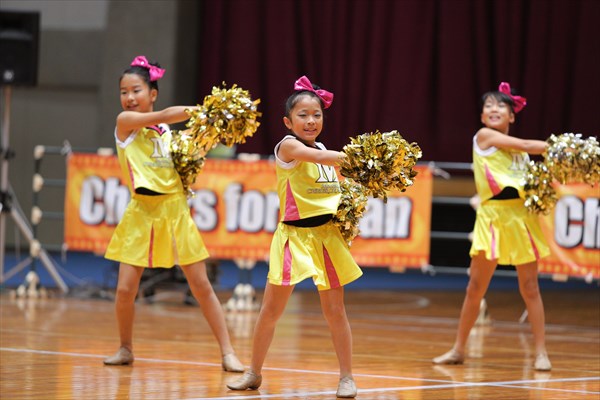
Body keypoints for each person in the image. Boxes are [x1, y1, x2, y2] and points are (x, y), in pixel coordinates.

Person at [103, 55, 244, 373]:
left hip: (175, 210)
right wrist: (203, 111)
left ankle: (228, 353)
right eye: (124, 91)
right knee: (126, 289)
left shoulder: (166, 132)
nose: (129, 97)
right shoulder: (124, 123)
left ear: (152, 92)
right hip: (141, 212)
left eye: (136, 90)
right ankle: (125, 348)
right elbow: (168, 113)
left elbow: (181, 155)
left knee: (201, 285)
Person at [226, 76, 363, 397]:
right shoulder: (288, 146)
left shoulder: (327, 151)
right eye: (302, 115)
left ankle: (347, 377)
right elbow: (315, 158)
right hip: (293, 239)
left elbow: (337, 179)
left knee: (335, 311)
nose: (310, 120)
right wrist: (364, 157)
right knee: (271, 311)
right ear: (288, 121)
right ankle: (253, 372)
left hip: (327, 239)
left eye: (316, 114)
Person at [433, 82, 552, 371]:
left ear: (512, 116)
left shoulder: (521, 157)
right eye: (488, 106)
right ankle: (459, 348)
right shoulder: (484, 136)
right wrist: (559, 148)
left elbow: (525, 156)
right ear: (483, 117)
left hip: (520, 218)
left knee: (530, 287)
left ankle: (541, 353)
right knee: (475, 287)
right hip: (492, 217)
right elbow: (526, 144)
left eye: (500, 105)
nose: (493, 109)